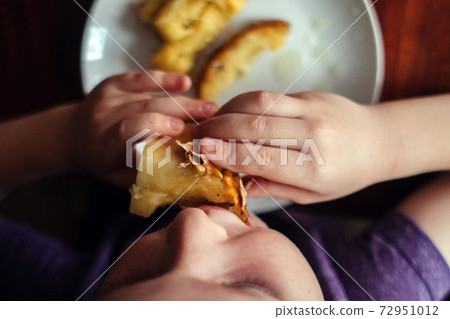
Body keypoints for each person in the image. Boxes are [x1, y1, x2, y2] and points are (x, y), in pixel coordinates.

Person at [0, 71, 449, 300]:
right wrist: (386, 141)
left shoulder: (70, 290)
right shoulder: (378, 290)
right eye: (248, 287)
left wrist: (63, 138)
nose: (191, 225)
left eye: (142, 278)